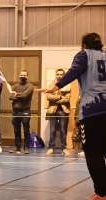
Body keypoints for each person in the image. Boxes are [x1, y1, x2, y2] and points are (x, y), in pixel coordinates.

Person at [37, 32, 106, 200]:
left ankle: (102, 192)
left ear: (83, 45)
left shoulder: (84, 54)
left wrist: (56, 86)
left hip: (93, 110)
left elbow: (75, 70)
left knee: (94, 152)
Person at [45, 69, 71, 155]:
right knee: (52, 130)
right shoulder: (51, 85)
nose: (59, 76)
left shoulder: (68, 85)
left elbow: (67, 99)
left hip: (63, 110)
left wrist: (55, 97)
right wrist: (60, 97)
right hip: (53, 110)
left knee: (63, 130)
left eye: (61, 74)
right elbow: (48, 96)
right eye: (58, 74)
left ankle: (64, 148)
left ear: (64, 75)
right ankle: (51, 148)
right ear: (56, 75)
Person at [9, 70, 34, 154]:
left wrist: (16, 95)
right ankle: (17, 147)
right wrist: (20, 95)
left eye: (24, 75)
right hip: (15, 111)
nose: (23, 76)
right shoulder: (15, 86)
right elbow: (11, 97)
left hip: (25, 111)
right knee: (16, 130)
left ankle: (26, 147)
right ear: (19, 75)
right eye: (21, 75)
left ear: (27, 76)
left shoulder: (30, 86)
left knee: (26, 130)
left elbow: (25, 96)